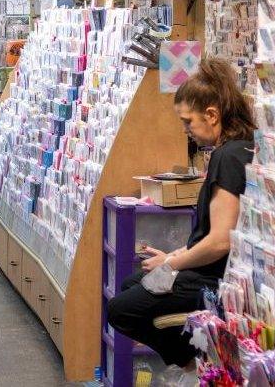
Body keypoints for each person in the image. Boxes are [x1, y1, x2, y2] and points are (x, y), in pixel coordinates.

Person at [107, 57, 256, 376]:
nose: (187, 131)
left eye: (189, 122)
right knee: (133, 284)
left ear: (212, 115)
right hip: (205, 273)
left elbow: (219, 242)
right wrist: (173, 255)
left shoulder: (228, 158)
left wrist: (171, 264)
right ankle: (197, 362)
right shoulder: (237, 150)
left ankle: (195, 367)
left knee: (121, 310)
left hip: (211, 282)